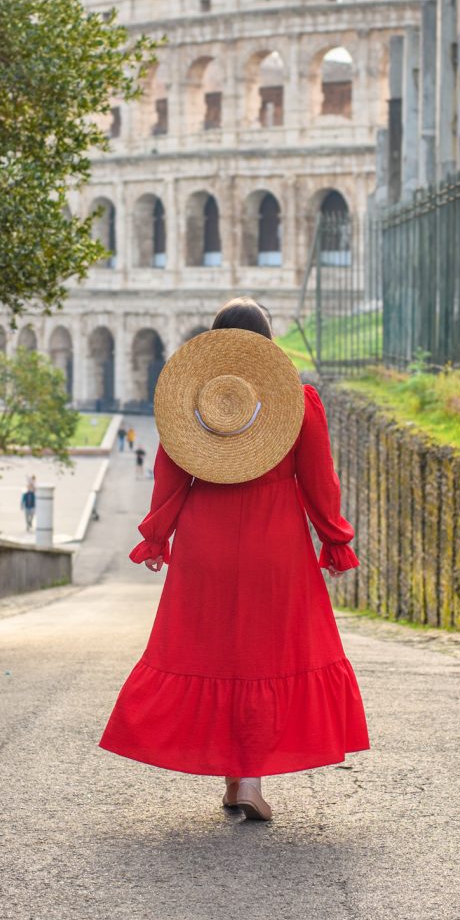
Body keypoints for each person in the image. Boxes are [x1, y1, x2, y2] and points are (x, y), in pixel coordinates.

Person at [100, 296, 368, 821]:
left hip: (207, 540)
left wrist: (158, 535)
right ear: (267, 346)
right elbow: (320, 480)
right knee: (266, 657)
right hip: (277, 542)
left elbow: (170, 474)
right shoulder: (298, 400)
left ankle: (233, 780)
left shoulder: (192, 401)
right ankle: (248, 781)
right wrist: (334, 538)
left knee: (213, 654)